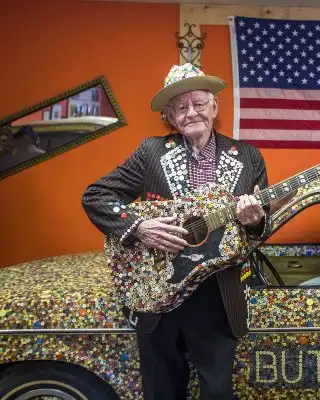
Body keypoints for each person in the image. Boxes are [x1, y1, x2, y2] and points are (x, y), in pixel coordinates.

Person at [81, 63, 290, 399]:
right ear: (169, 116)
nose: (191, 112)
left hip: (218, 295)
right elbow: (97, 196)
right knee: (161, 390)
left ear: (214, 107)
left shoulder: (248, 156)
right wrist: (138, 227)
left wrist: (254, 221)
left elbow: (259, 230)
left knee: (217, 391)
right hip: (158, 290)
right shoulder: (151, 152)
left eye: (199, 103)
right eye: (180, 107)